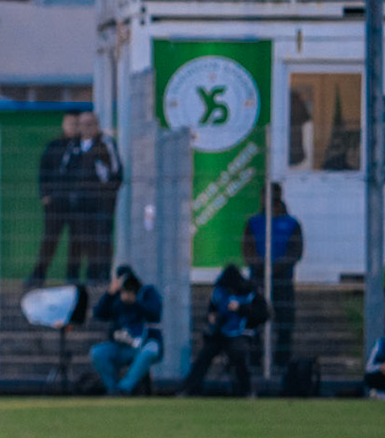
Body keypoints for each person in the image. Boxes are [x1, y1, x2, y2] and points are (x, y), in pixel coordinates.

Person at [179, 265, 263, 398]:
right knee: (204, 357)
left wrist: (241, 309)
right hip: (220, 333)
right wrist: (211, 317)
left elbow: (262, 315)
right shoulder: (219, 293)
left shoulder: (251, 294)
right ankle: (189, 389)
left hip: (241, 334)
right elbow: (211, 310)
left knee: (239, 355)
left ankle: (246, 390)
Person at [242, 183, 304, 361]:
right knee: (254, 318)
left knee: (285, 319)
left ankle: (282, 357)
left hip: (282, 278)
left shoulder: (291, 223)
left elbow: (295, 251)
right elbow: (248, 249)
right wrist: (261, 266)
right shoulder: (254, 222)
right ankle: (255, 357)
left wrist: (275, 267)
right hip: (258, 278)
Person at [89, 265, 163, 396]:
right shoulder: (117, 296)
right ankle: (113, 389)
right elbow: (99, 314)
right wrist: (109, 294)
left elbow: (155, 314)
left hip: (143, 344)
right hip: (121, 345)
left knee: (150, 351)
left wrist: (136, 302)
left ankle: (124, 388)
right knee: (98, 353)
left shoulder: (147, 292)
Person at [26, 112, 80, 284]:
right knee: (50, 239)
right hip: (55, 202)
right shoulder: (54, 146)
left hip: (75, 203)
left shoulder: (82, 147)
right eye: (69, 123)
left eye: (75, 124)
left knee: (77, 241)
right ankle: (38, 274)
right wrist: (46, 195)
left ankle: (72, 276)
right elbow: (44, 170)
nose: (71, 127)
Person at [69, 111, 122, 284]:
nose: (86, 128)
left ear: (97, 125)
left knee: (102, 239)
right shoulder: (73, 145)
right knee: (82, 240)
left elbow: (116, 171)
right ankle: (78, 276)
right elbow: (65, 171)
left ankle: (101, 275)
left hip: (101, 203)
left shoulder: (105, 144)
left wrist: (107, 195)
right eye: (83, 124)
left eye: (90, 124)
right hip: (80, 203)